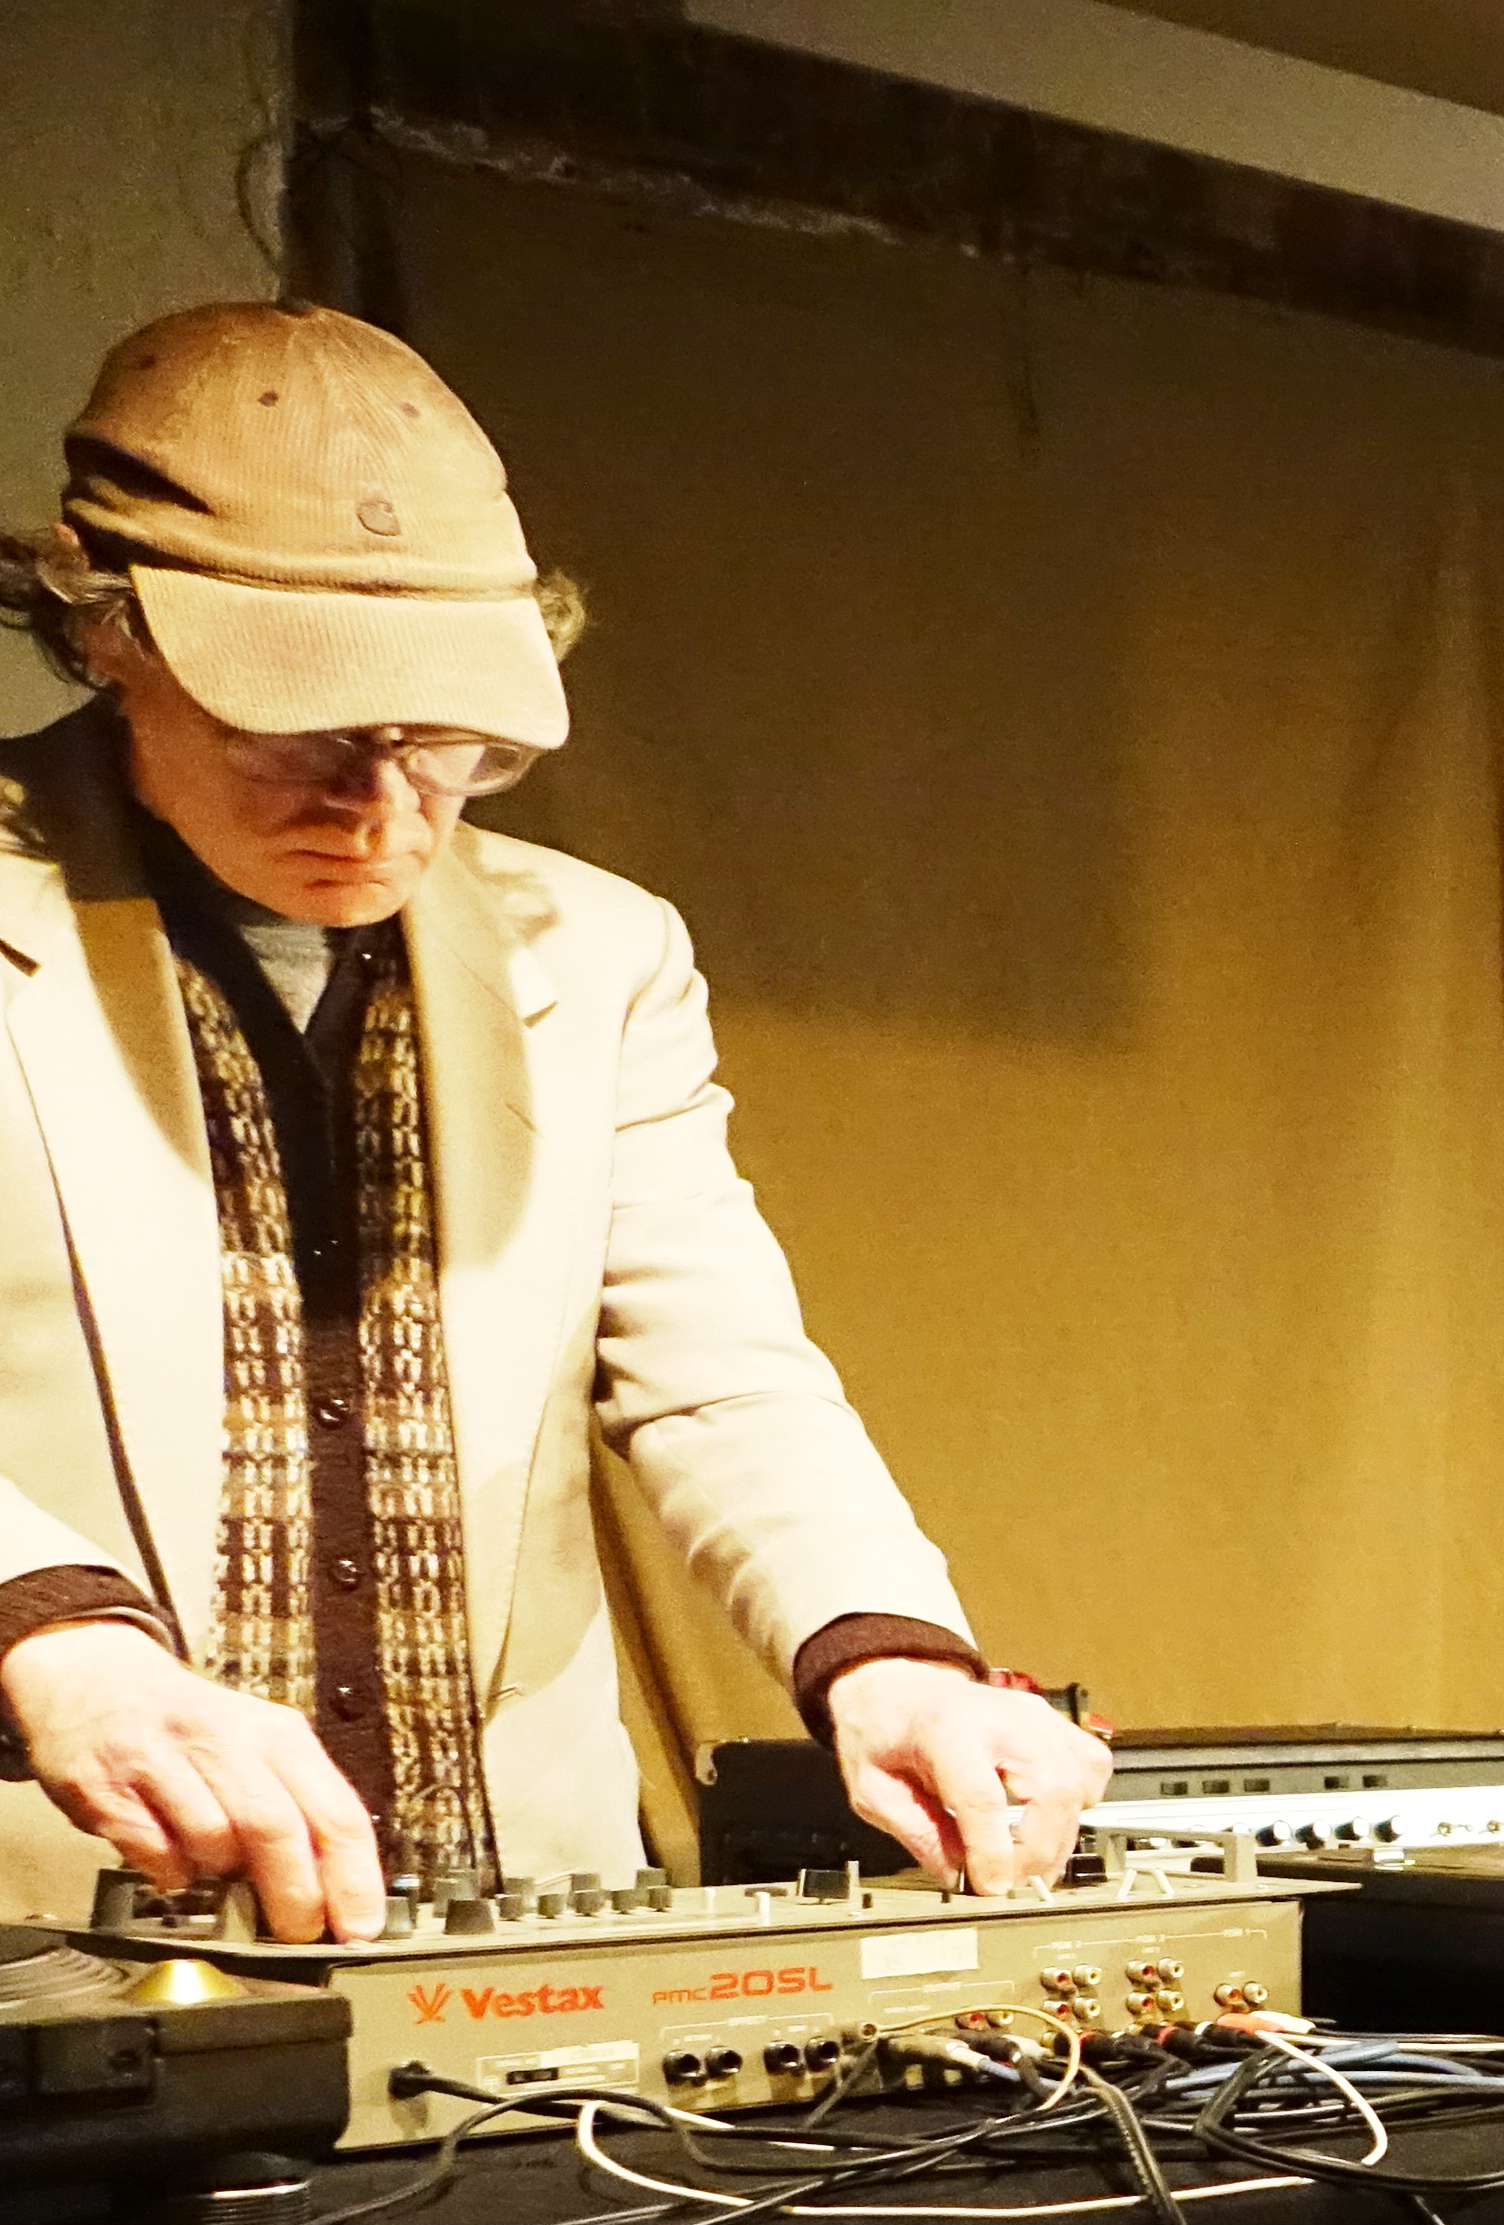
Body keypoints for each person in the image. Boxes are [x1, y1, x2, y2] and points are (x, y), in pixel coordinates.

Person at [0, 302, 1099, 1938]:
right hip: (54, 1933)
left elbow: (721, 1376)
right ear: (109, 631)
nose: (383, 808)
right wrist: (56, 1637)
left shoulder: (603, 954)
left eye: (449, 745)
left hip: (520, 1923)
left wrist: (889, 1654)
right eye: (298, 733)